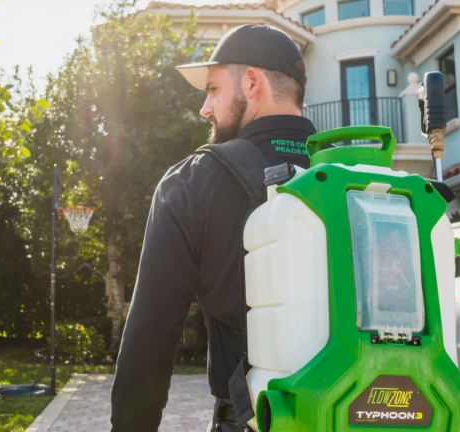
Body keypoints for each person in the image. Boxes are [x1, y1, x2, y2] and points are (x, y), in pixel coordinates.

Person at [110, 24, 317, 432]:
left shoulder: (191, 182)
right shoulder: (360, 178)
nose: (205, 108)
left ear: (252, 83)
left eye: (213, 89)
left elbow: (150, 343)